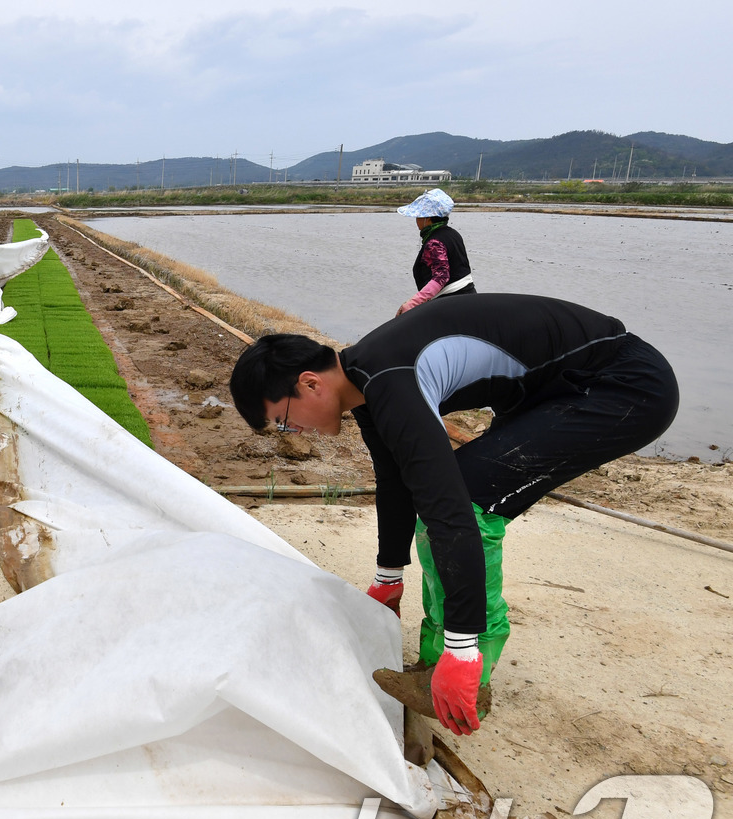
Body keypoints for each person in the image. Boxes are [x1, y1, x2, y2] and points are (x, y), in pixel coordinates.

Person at [228, 294, 678, 737]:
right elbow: (396, 482)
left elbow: (449, 510)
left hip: (623, 386)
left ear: (309, 383)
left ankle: (467, 663)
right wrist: (388, 576)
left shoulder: (391, 380)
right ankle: (433, 663)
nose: (293, 432)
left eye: (284, 420)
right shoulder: (365, 382)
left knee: (465, 500)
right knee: (453, 496)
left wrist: (462, 644)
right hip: (559, 389)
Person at [396, 188, 474, 316]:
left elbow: (441, 277)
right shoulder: (453, 234)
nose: (416, 220)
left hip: (451, 304)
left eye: (419, 216)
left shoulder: (434, 242)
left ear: (428, 218)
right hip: (467, 297)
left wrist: (412, 303)